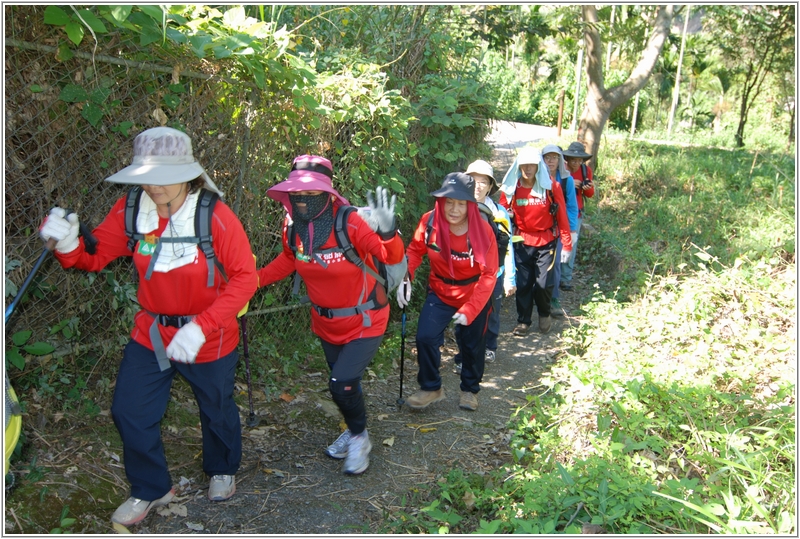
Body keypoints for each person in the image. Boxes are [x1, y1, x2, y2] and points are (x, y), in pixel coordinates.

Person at [39, 127, 258, 526]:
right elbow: (95, 256)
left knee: (217, 408)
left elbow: (246, 278)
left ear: (189, 174)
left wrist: (202, 326)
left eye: (164, 176)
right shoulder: (132, 210)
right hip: (153, 332)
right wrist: (69, 243)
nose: (154, 187)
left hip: (209, 335)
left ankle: (222, 466)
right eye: (147, 177)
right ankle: (151, 486)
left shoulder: (214, 216)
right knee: (128, 410)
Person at [256, 155, 403, 476]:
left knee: (340, 384)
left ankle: (360, 437)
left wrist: (389, 232)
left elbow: (389, 256)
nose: (303, 201)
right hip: (326, 323)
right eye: (297, 194)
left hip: (366, 319)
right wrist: (252, 281)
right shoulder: (293, 226)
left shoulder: (349, 222)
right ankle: (353, 430)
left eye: (311, 194)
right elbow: (288, 260)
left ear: (327, 194)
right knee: (345, 383)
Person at [397, 172, 498, 412]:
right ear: (441, 200)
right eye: (449, 201)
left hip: (475, 293)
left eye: (461, 203)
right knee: (425, 337)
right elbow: (414, 250)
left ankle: (470, 391)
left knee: (472, 345)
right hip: (440, 291)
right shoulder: (429, 222)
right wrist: (405, 276)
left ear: (470, 205)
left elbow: (489, 274)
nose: (454, 209)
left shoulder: (483, 231)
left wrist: (471, 308)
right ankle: (431, 387)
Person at [498, 146, 571, 336]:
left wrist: (567, 243)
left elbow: (562, 213)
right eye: (524, 165)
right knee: (523, 283)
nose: (528, 169)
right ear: (518, 166)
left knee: (543, 282)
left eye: (532, 165)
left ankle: (544, 313)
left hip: (547, 240)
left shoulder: (552, 187)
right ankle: (523, 321)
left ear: (539, 166)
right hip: (521, 240)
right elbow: (500, 214)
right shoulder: (512, 188)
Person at [452, 160, 515, 374]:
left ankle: (489, 346)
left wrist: (510, 278)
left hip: (492, 274)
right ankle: (463, 354)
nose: (478, 186)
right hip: (462, 275)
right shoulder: (456, 207)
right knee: (462, 314)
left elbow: (507, 247)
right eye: (473, 180)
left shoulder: (499, 213)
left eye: (483, 182)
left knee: (490, 313)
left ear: (490, 186)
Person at [541, 144, 578, 317]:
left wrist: (571, 230)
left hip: (558, 229)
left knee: (555, 264)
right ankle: (537, 294)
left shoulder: (566, 180)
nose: (551, 161)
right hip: (538, 228)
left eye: (554, 157)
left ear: (560, 159)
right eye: (547, 157)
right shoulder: (535, 176)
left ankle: (553, 298)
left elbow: (571, 206)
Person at [560, 141, 595, 291]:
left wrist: (587, 187)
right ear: (567, 159)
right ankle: (553, 275)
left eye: (579, 160)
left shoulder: (586, 171)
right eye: (573, 160)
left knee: (571, 245)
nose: (575, 163)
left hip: (576, 213)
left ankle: (565, 278)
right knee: (557, 244)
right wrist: (568, 183)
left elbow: (590, 194)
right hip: (560, 211)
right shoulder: (561, 169)